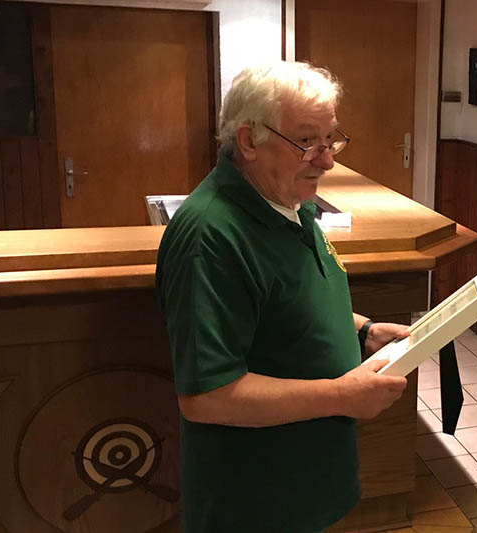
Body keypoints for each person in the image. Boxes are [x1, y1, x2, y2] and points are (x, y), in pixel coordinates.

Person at [155, 61, 409, 532]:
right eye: (307, 141)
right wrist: (341, 396)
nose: (328, 159)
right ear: (249, 140)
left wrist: (363, 330)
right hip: (257, 501)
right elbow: (208, 395)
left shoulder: (291, 200)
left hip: (310, 483)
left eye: (330, 139)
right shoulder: (210, 235)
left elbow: (287, 299)